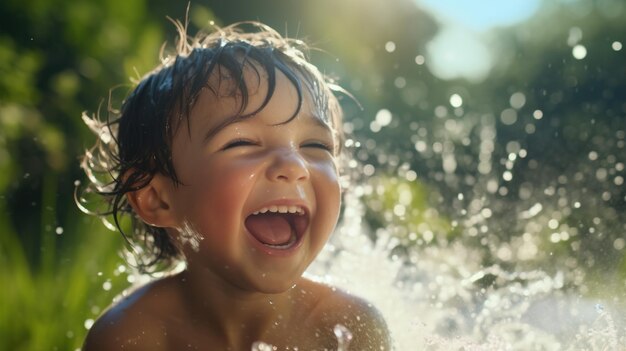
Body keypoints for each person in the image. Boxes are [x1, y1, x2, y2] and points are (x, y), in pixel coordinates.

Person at [80, 20, 390, 351]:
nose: (294, 166)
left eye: (316, 146)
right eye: (241, 143)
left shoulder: (347, 328)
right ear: (157, 199)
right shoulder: (132, 337)